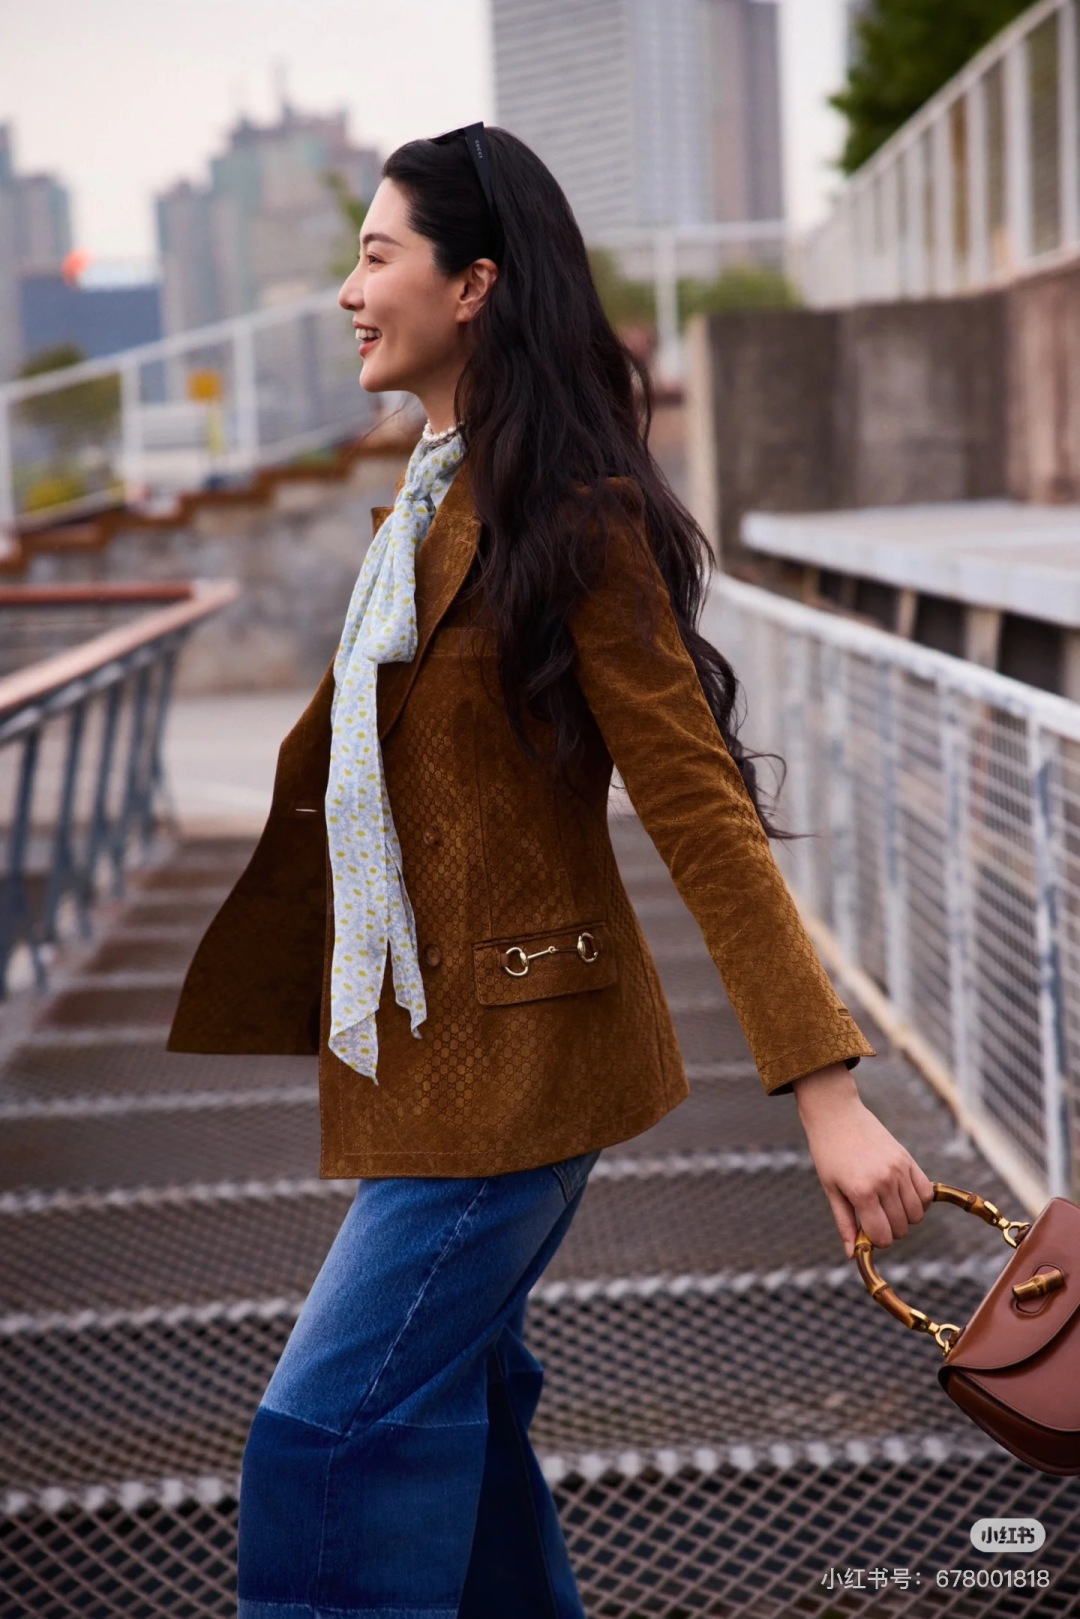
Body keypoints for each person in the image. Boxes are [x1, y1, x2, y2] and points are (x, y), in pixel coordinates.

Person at [168, 122, 935, 1619]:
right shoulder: (432, 498)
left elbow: (699, 809)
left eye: (377, 256)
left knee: (323, 1441)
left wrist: (829, 1097)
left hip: (517, 1080)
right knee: (462, 1437)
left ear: (474, 286)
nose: (349, 291)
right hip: (428, 1064)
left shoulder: (571, 516)